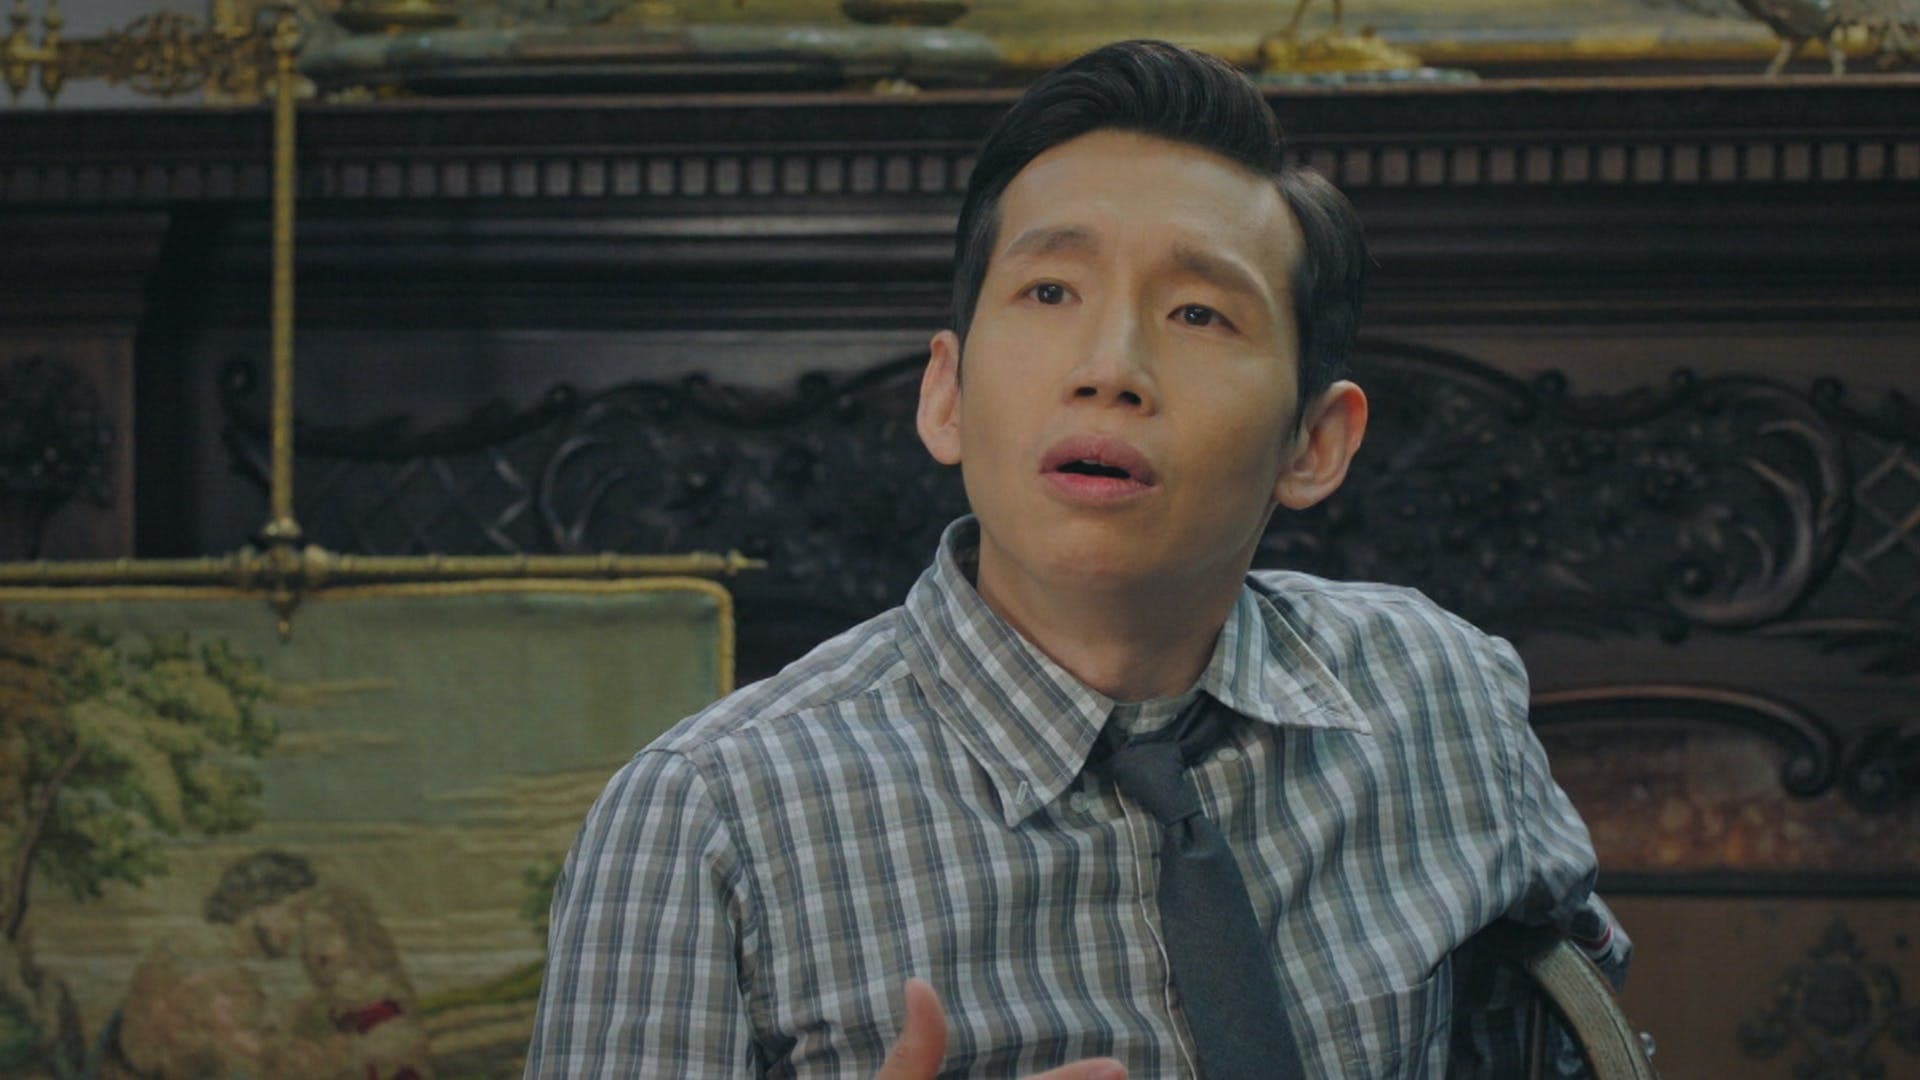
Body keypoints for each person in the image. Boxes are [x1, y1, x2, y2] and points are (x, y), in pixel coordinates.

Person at [527, 39, 1626, 1078]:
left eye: (1199, 312)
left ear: (1314, 442)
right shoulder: (705, 820)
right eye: (1050, 292)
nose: (1111, 367)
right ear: (947, 394)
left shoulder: (1440, 695)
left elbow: (1576, 1029)